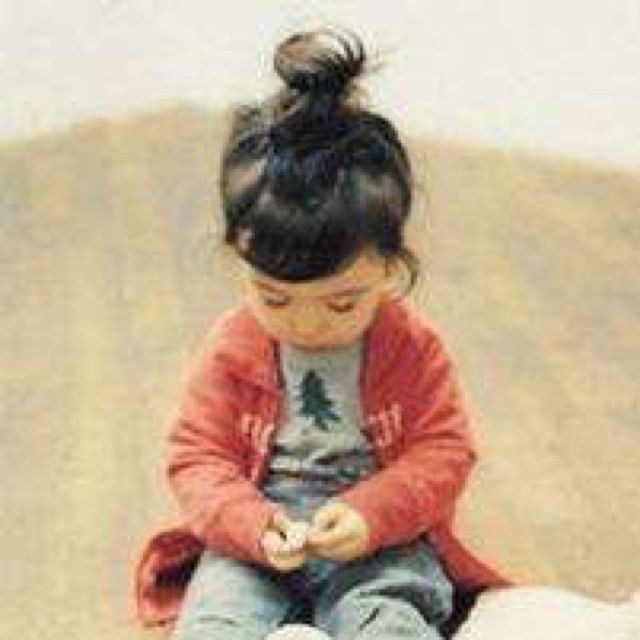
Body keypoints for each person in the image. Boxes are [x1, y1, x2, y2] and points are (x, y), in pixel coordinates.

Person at [131, 27, 511, 640]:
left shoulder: (411, 348)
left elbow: (444, 452)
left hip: (378, 543)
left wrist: (371, 514)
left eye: (341, 302)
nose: (306, 324)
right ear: (237, 263)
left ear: (391, 268)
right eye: (274, 298)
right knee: (214, 624)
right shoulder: (232, 348)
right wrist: (253, 525)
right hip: (254, 546)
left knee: (388, 620)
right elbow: (197, 458)